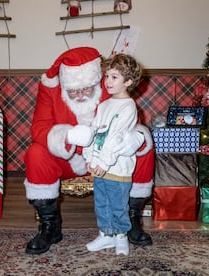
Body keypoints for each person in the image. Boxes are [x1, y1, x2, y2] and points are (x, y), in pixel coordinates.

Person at [23, 47, 155, 255]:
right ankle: (50, 227)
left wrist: (135, 138)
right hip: (69, 158)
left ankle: (131, 220)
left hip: (108, 160)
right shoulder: (50, 88)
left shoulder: (110, 86)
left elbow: (131, 123)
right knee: (35, 153)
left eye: (87, 89)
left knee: (143, 148)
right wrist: (69, 137)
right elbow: (38, 128)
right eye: (73, 91)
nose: (81, 95)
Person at [83, 53, 142, 256]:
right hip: (99, 167)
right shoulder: (104, 105)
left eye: (114, 77)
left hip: (117, 168)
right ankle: (106, 235)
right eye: (107, 76)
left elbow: (116, 138)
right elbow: (94, 131)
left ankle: (121, 237)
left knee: (118, 206)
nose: (107, 81)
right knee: (102, 204)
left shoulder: (128, 107)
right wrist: (89, 157)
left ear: (128, 81)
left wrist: (105, 162)